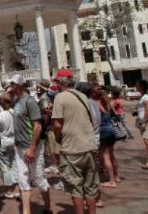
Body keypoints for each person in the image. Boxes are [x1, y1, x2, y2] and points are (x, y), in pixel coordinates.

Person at [52, 75, 99, 214]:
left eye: (57, 82)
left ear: (61, 83)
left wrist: (59, 138)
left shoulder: (60, 97)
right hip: (90, 145)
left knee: (75, 188)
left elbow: (57, 124)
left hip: (72, 148)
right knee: (90, 188)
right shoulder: (83, 96)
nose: (56, 86)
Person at [9, 74, 51, 214]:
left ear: (20, 85)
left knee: (38, 178)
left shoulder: (29, 101)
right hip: (19, 147)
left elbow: (37, 126)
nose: (11, 87)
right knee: (23, 180)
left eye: (13, 84)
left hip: (32, 147)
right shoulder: (16, 101)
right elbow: (4, 100)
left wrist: (32, 148)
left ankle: (48, 207)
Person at [93, 89, 119, 188]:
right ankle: (116, 176)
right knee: (111, 155)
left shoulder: (96, 105)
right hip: (111, 130)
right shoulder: (108, 104)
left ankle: (112, 180)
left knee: (104, 156)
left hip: (103, 131)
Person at [0, 92, 19, 199]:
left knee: (5, 167)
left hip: (4, 141)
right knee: (14, 165)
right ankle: (16, 189)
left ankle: (9, 190)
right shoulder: (15, 113)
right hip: (14, 141)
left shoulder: (0, 115)